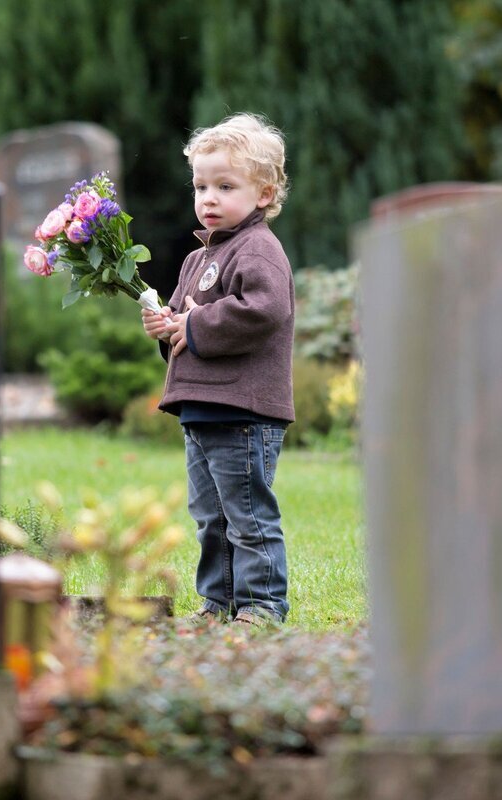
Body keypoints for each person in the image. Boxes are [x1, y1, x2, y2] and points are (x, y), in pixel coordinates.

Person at [141, 112, 295, 627]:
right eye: (201, 186)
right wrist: (169, 328)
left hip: (244, 409)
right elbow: (189, 328)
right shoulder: (195, 260)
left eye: (225, 186)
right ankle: (219, 603)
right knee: (211, 517)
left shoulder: (259, 249)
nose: (209, 197)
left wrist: (196, 323)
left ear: (265, 194)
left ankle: (262, 606)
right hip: (203, 409)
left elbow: (265, 309)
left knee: (247, 516)